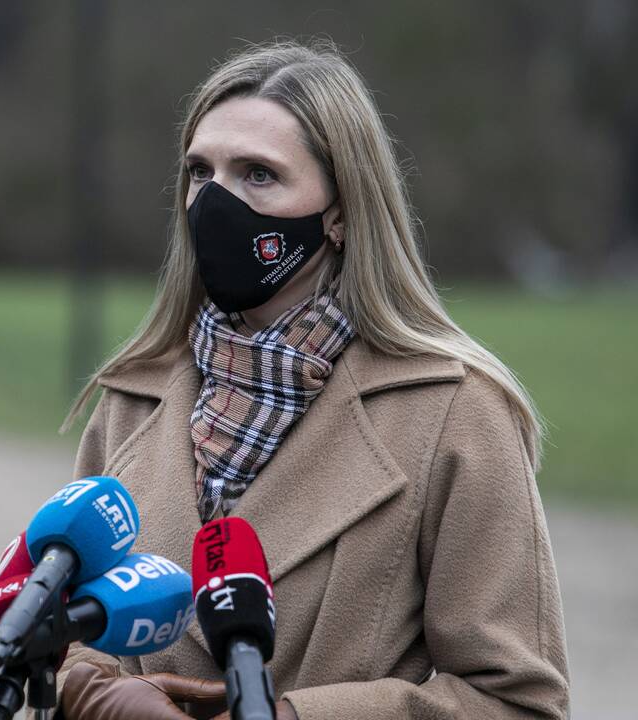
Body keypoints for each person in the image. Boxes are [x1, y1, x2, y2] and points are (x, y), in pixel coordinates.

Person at [55, 39, 569, 719]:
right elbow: (59, 630)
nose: (216, 202)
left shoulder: (456, 411)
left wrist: (295, 717)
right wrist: (95, 694)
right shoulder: (131, 396)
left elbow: (517, 700)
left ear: (340, 212)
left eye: (258, 175)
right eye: (200, 172)